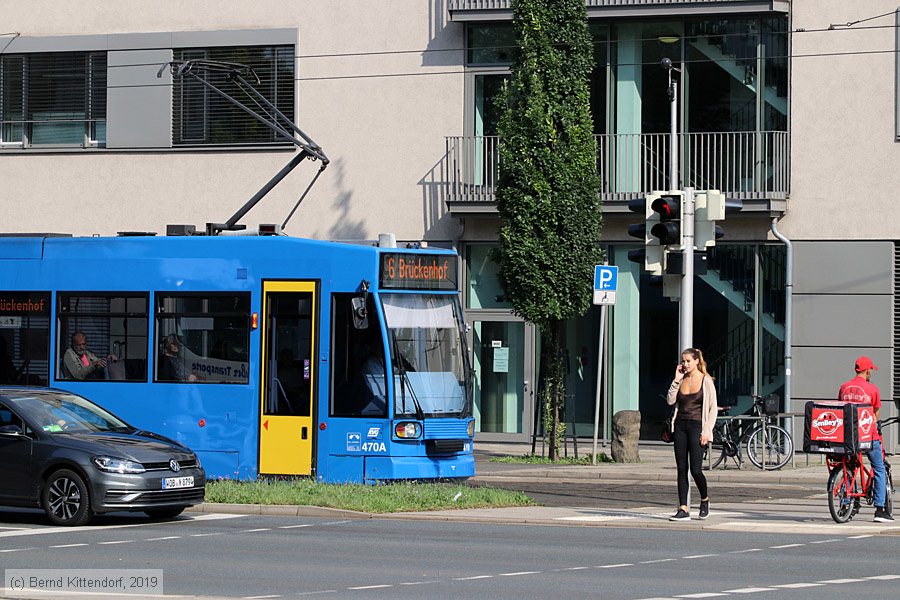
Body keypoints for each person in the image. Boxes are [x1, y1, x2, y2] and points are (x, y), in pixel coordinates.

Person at [666, 347, 718, 521]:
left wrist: (706, 431)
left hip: (697, 427)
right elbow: (670, 400)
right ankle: (683, 508)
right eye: (683, 361)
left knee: (696, 470)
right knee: (682, 469)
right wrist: (676, 379)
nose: (685, 364)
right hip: (680, 426)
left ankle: (705, 500)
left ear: (697, 361)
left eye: (688, 361)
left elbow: (712, 409)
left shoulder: (706, 381)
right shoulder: (681, 380)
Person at [838, 356, 891, 522]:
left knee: (850, 467)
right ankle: (880, 510)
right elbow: (875, 414)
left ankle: (846, 503)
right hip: (868, 436)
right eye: (870, 370)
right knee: (879, 468)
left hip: (848, 438)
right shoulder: (872, 389)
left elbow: (841, 409)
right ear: (867, 371)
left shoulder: (844, 387)